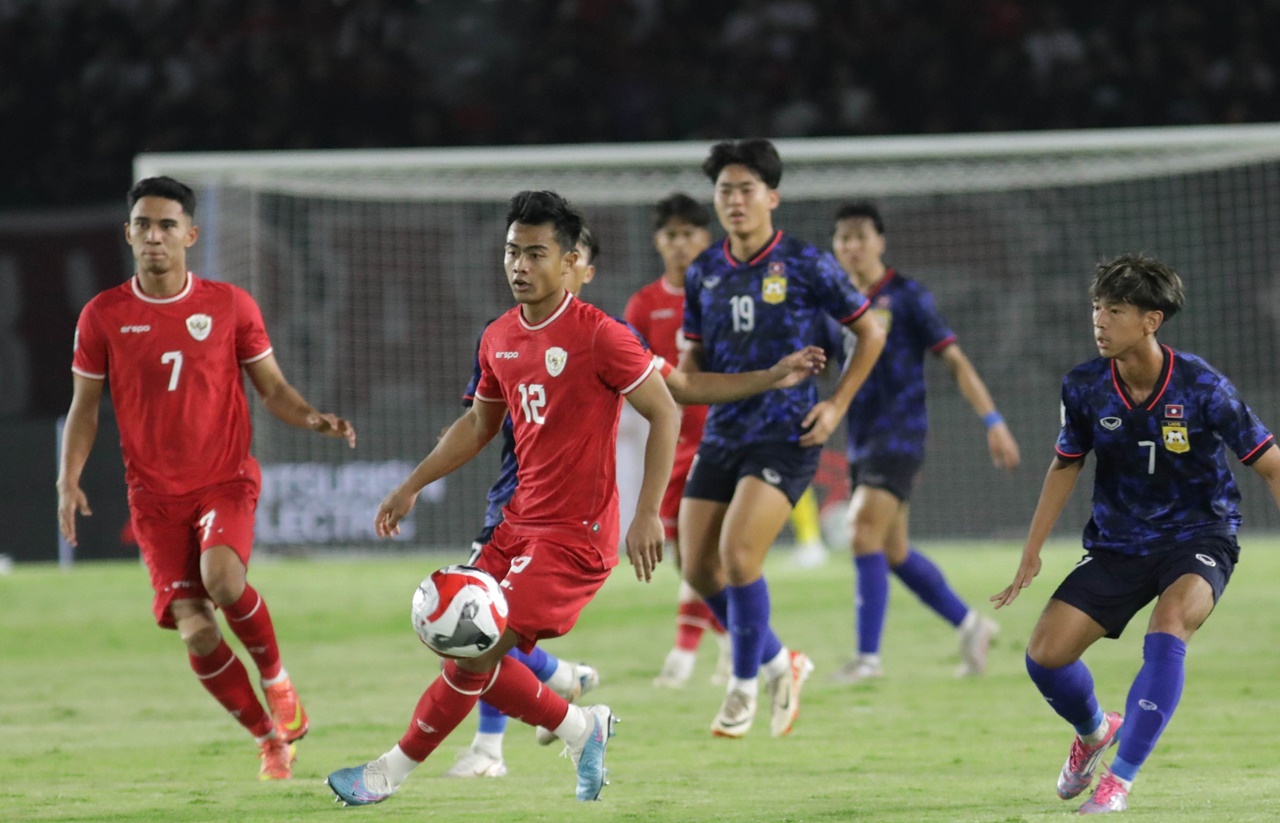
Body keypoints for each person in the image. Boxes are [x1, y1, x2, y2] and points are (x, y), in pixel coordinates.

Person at [326, 190, 682, 806]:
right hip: (516, 527)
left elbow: (666, 411)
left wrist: (647, 510)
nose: (520, 265)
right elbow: (477, 426)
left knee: (472, 650)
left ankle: (389, 773)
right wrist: (412, 484)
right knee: (449, 635)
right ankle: (579, 723)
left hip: (575, 536)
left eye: (536, 254)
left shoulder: (601, 336)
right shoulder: (498, 337)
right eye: (512, 252)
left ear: (570, 262)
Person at [57, 176, 357, 781]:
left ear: (191, 235)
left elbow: (271, 388)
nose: (155, 237)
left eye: (167, 226)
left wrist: (311, 418)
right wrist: (69, 480)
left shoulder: (229, 305)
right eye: (143, 225)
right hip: (153, 497)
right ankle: (269, 737)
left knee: (222, 578)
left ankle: (277, 679)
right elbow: (84, 408)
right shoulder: (103, 316)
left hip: (224, 479)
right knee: (196, 634)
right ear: (129, 235)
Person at [992, 253, 1280, 814]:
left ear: (1151, 320)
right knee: (1044, 658)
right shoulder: (1083, 386)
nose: (1099, 320)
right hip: (1120, 543)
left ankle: (1118, 781)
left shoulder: (1203, 386)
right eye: (1096, 307)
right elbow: (1066, 464)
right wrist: (1031, 551)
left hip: (1201, 534)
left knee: (1169, 627)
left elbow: (1270, 462)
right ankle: (1096, 730)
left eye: (1115, 309)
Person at [679, 139, 887, 739]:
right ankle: (779, 661)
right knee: (696, 568)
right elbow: (693, 358)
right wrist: (679, 373)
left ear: (771, 197)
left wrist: (835, 405)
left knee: (738, 557)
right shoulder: (704, 271)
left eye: (746, 190)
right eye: (725, 191)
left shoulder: (804, 263)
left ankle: (744, 685)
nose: (735, 200)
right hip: (723, 433)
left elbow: (868, 333)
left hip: (786, 434)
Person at [828, 202, 1019, 685]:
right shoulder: (832, 302)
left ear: (880, 241)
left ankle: (867, 659)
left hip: (901, 433)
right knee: (892, 549)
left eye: (860, 236)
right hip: (860, 436)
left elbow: (954, 360)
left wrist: (992, 420)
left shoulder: (907, 296)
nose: (851, 246)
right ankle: (971, 625)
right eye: (842, 238)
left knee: (860, 532)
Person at [625, 193, 731, 690]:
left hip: (722, 439)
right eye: (671, 235)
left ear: (706, 239)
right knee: (688, 557)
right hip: (670, 445)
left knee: (709, 552)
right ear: (658, 243)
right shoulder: (644, 305)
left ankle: (696, 652)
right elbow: (630, 371)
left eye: (690, 234)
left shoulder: (725, 293)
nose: (681, 244)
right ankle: (729, 641)